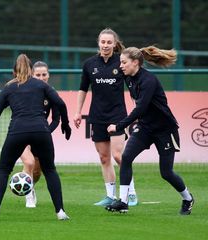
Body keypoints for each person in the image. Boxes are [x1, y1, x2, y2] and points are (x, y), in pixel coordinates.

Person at [0, 54, 71, 220]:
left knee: (4, 169)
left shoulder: (9, 88)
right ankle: (60, 212)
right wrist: (66, 124)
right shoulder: (42, 86)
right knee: (50, 170)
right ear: (31, 70)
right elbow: (61, 104)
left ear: (13, 72)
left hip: (17, 132)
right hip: (41, 131)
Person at [105, 46, 194, 215]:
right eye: (120, 62)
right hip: (146, 127)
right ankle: (123, 202)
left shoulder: (149, 81)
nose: (121, 66)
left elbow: (140, 109)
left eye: (124, 62)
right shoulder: (128, 76)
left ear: (136, 63)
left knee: (166, 173)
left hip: (165, 129)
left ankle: (188, 198)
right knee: (126, 157)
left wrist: (118, 126)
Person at [73, 28, 138, 206]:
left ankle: (131, 193)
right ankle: (110, 196)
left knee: (118, 155)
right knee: (104, 158)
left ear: (115, 44)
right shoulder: (89, 64)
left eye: (109, 42)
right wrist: (78, 112)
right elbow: (83, 89)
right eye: (103, 42)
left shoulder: (121, 63)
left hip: (117, 116)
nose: (106, 45)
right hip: (97, 117)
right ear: (98, 43)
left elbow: (133, 87)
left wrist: (138, 110)